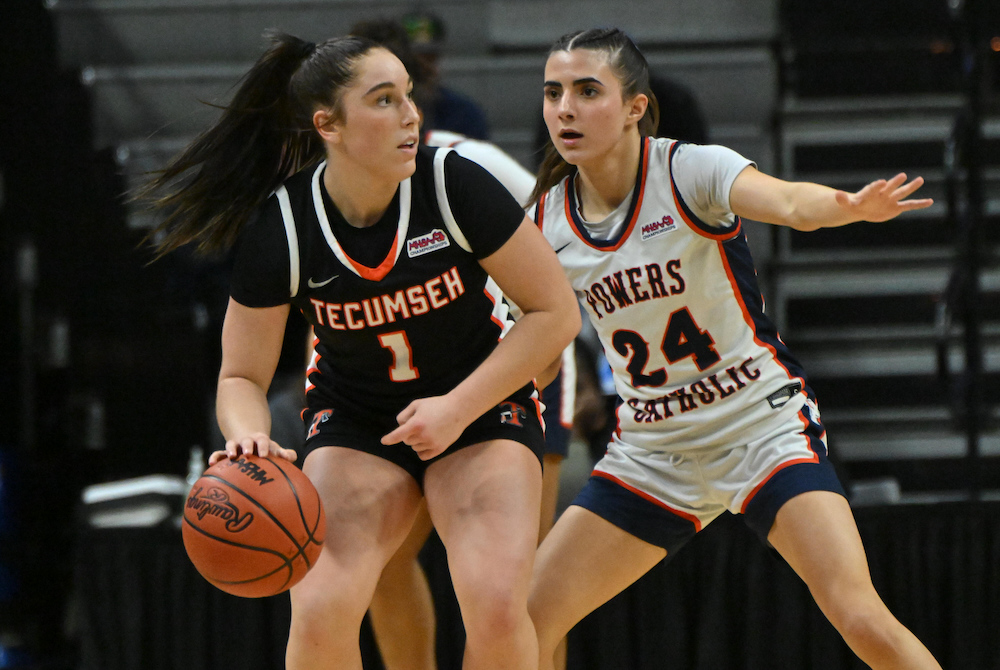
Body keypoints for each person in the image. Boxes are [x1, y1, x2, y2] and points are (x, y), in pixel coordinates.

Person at [138, 31, 579, 670]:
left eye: (408, 95)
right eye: (383, 100)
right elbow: (240, 375)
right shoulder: (285, 226)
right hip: (358, 421)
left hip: (481, 408)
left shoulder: (453, 185)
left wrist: (456, 408)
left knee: (495, 602)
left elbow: (554, 313)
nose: (410, 114)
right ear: (330, 125)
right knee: (319, 608)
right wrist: (247, 438)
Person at [525, 28, 943, 670]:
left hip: (758, 427)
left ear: (636, 106)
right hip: (653, 451)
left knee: (857, 613)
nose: (565, 109)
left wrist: (847, 206)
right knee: (524, 621)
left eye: (587, 91)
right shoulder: (546, 220)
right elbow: (514, 324)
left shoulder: (690, 170)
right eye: (554, 92)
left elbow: (789, 203)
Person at [345, 18, 576, 670]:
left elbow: (563, 235)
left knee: (519, 584)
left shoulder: (464, 162)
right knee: (383, 563)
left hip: (517, 356)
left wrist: (556, 341)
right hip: (415, 378)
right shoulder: (330, 192)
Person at [400, 9, 491, 139]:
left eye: (429, 58)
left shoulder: (464, 113)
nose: (423, 69)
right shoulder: (384, 114)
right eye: (414, 61)